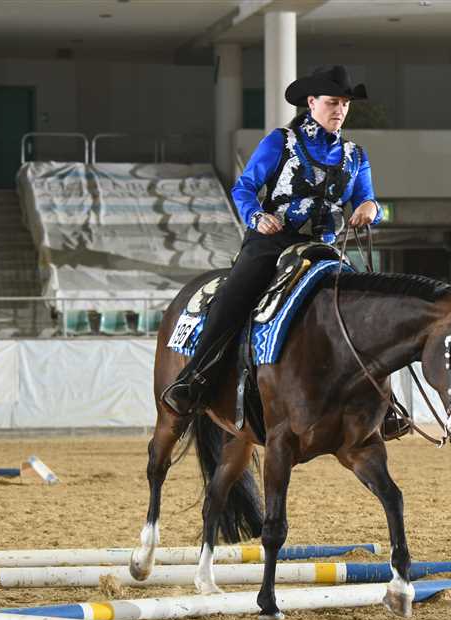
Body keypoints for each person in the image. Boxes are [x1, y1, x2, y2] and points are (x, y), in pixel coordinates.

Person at [161, 65, 382, 418]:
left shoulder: (356, 156)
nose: (340, 110)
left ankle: (380, 403)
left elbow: (367, 199)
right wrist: (257, 217)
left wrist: (371, 208)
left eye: (345, 103)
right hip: (272, 243)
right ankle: (196, 378)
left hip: (324, 250)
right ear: (312, 102)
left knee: (363, 309)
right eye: (332, 102)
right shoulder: (280, 141)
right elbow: (244, 187)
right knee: (235, 296)